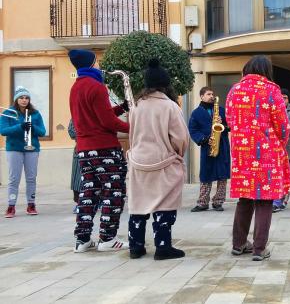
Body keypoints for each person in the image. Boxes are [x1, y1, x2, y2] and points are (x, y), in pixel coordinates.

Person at [226, 55, 290, 261]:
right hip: (266, 153)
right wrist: (279, 144)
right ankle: (259, 248)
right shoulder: (272, 90)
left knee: (244, 198)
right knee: (264, 200)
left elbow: (229, 119)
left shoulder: (234, 90)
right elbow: (282, 125)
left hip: (241, 153)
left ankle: (238, 244)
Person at [127, 59, 189, 260]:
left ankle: (135, 247)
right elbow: (180, 137)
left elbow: (132, 134)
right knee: (164, 203)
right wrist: (178, 154)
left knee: (138, 204)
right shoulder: (170, 106)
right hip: (163, 161)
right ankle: (163, 247)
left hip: (138, 160)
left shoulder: (136, 105)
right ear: (165, 84)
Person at [68, 49, 130, 253]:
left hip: (85, 150)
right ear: (90, 64)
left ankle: (82, 240)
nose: (99, 66)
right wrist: (134, 126)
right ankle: (107, 238)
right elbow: (106, 122)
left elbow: (95, 116)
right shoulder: (96, 87)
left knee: (89, 193)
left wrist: (121, 108)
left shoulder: (76, 88)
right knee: (114, 192)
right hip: (104, 148)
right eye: (97, 62)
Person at [1, 86, 46, 218]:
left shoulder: (35, 114)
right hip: (14, 148)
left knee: (31, 178)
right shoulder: (9, 113)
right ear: (16, 99)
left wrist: (33, 127)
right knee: (14, 178)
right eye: (21, 97)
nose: (24, 100)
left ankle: (31, 204)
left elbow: (42, 132)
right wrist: (20, 127)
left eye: (26, 98)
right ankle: (11, 206)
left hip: (32, 149)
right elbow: (3, 131)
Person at [188, 87, 230, 212]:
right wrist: (204, 139)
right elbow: (193, 130)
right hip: (207, 146)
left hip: (222, 146)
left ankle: (218, 202)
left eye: (212, 94)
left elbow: (231, 126)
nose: (211, 96)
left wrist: (223, 124)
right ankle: (203, 203)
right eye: (208, 94)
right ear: (201, 96)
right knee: (206, 175)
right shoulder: (196, 113)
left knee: (222, 176)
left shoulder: (221, 110)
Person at [68, 119, 81, 214]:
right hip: (81, 147)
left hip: (98, 147)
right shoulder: (76, 113)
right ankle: (79, 202)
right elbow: (71, 131)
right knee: (77, 178)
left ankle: (100, 201)